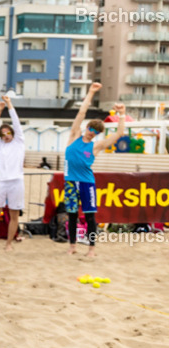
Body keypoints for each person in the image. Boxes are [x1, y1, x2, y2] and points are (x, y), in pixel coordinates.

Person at [64, 83, 126, 257]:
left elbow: (119, 134)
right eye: (91, 129)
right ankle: (72, 246)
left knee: (90, 217)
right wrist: (91, 92)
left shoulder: (96, 146)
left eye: (96, 132)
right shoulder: (74, 135)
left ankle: (91, 248)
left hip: (86, 183)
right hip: (70, 182)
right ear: (87, 127)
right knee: (72, 215)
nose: (92, 133)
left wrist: (122, 114)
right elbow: (81, 113)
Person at [0, 94, 26, 250]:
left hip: (16, 181)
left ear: (12, 133)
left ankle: (9, 243)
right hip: (1, 181)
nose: (5, 135)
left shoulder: (19, 141)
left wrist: (9, 105)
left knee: (14, 213)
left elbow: (16, 122)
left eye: (7, 133)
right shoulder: (0, 144)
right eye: (2, 134)